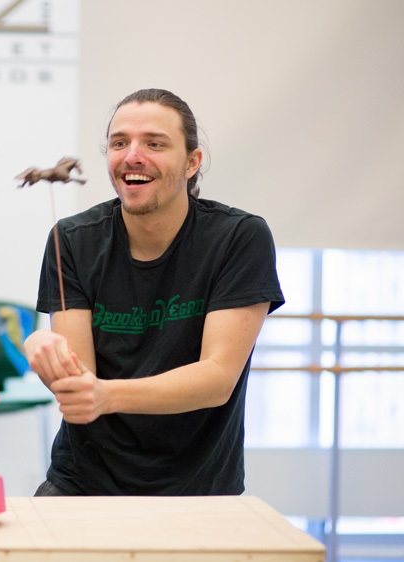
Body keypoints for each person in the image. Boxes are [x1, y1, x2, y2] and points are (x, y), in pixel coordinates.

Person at [25, 88, 284, 496]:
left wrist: (105, 395)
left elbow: (217, 379)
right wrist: (48, 356)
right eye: (119, 143)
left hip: (198, 488)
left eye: (155, 143)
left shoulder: (239, 238)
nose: (132, 156)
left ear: (192, 163)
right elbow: (83, 383)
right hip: (84, 483)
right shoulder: (73, 239)